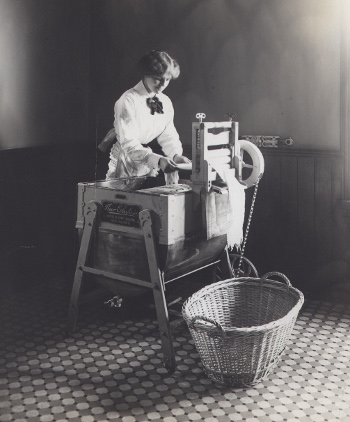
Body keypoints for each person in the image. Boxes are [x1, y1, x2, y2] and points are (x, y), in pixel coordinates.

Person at [99, 50, 190, 182]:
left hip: (145, 158)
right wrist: (157, 160)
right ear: (146, 74)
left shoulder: (165, 101)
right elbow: (129, 143)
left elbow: (168, 133)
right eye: (158, 78)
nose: (163, 83)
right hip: (123, 158)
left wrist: (175, 155)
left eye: (168, 79)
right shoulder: (127, 100)